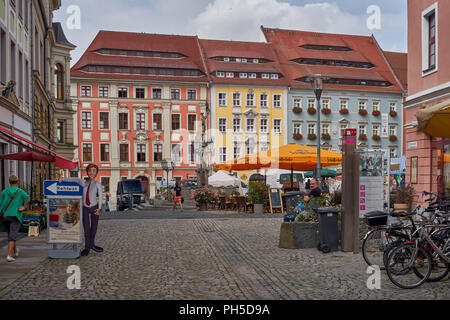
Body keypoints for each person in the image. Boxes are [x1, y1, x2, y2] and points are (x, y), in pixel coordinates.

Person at [60, 164, 103, 256]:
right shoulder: (82, 182)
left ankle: (92, 244)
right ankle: (87, 247)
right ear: (87, 172)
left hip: (94, 207)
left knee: (94, 228)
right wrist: (62, 179)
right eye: (90, 171)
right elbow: (72, 179)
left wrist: (99, 208)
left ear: (96, 173)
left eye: (94, 171)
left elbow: (100, 196)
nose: (92, 173)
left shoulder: (97, 184)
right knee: (86, 228)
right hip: (85, 208)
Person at [0, 175, 29, 262]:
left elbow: (1, 204)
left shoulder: (4, 191)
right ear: (17, 182)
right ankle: (9, 255)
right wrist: (24, 207)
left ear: (9, 182)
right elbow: (27, 197)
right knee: (12, 236)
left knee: (11, 234)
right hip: (15, 216)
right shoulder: (20, 191)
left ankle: (16, 251)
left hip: (5, 216)